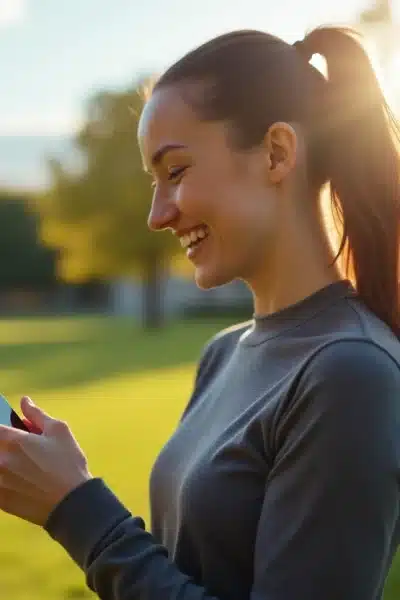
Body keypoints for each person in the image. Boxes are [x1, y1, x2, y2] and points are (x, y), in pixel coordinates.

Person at [1, 25, 400, 600]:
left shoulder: (349, 373)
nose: (157, 215)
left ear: (278, 152)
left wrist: (77, 510)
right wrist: (71, 491)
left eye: (177, 171)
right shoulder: (224, 353)